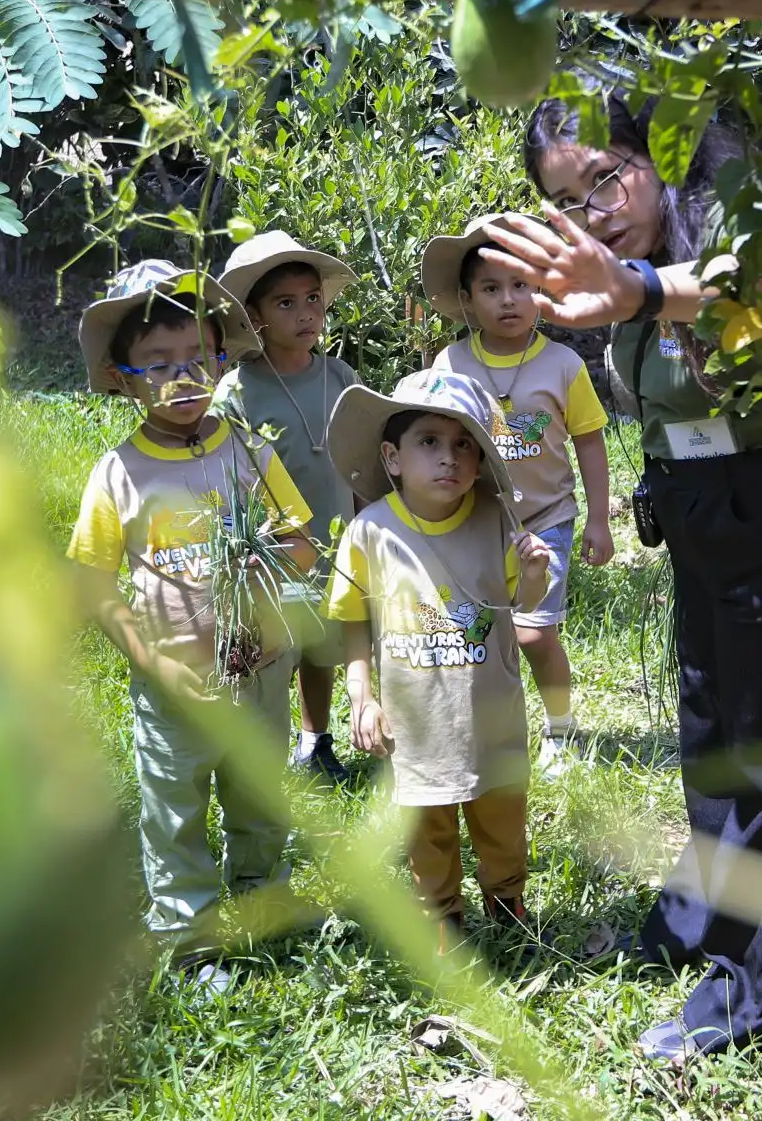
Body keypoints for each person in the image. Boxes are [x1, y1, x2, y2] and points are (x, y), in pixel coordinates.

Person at [479, 93, 762, 1061]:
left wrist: (638, 289)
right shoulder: (636, 277)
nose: (595, 212)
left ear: (661, 155)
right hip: (703, 510)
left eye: (606, 179)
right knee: (714, 724)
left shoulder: (737, 216)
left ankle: (758, 992)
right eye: (569, 200)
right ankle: (705, 920)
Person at [66, 259, 317, 994]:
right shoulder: (118, 474)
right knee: (174, 811)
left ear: (221, 359)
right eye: (158, 364)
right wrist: (154, 663)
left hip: (260, 668)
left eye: (196, 359)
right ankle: (191, 940)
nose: (182, 378)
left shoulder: (249, 449)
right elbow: (93, 585)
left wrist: (269, 563)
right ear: (121, 378)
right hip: (172, 682)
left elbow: (303, 543)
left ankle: (261, 898)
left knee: (260, 796)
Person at [321, 369, 552, 948]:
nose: (449, 457)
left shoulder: (495, 518)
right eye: (429, 441)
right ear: (392, 457)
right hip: (415, 721)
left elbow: (522, 603)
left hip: (490, 713)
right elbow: (354, 620)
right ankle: (442, 914)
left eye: (464, 445)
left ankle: (506, 899)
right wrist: (361, 697)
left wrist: (534, 574)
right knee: (427, 826)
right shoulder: (370, 531)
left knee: (501, 817)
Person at [423, 215, 614, 776]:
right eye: (491, 288)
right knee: (474, 631)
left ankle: (561, 729)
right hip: (474, 520)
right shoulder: (450, 364)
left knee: (533, 634)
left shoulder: (564, 364)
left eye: (521, 285)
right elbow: (432, 439)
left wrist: (599, 520)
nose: (508, 300)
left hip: (546, 518)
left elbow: (590, 442)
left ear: (542, 290)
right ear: (466, 299)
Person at [215, 230, 363, 785]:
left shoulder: (340, 377)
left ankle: (315, 741)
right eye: (285, 303)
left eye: (313, 299)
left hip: (337, 540)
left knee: (324, 643)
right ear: (253, 316)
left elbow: (361, 460)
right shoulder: (237, 391)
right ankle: (261, 752)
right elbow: (223, 475)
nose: (305, 314)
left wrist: (371, 525)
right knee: (277, 648)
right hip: (273, 551)